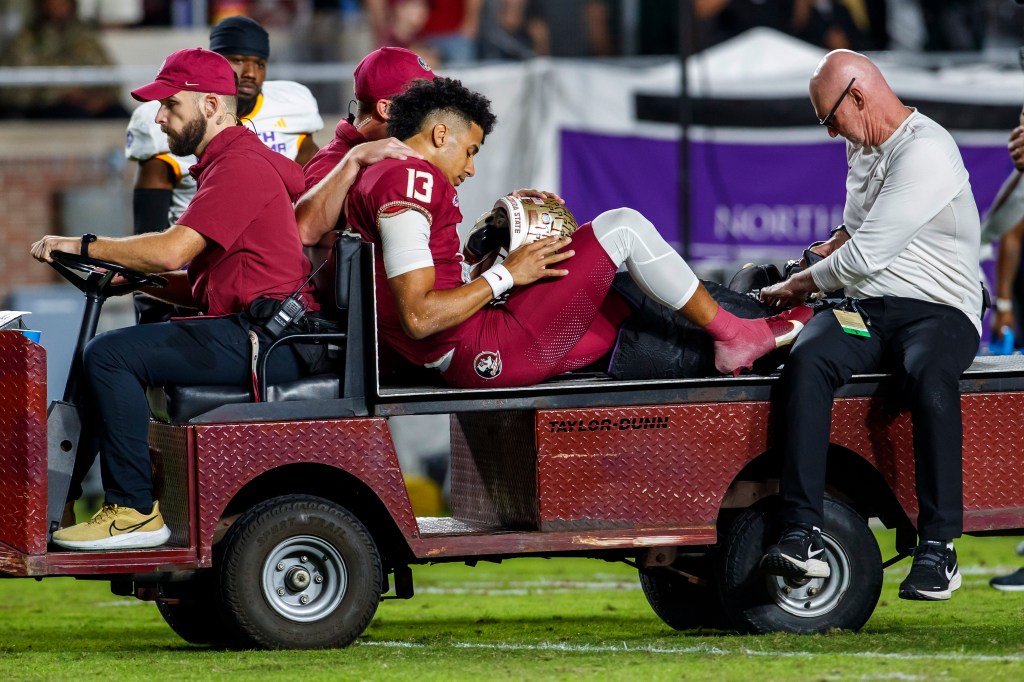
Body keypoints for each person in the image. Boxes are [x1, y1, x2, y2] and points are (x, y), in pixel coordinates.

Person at [311, 76, 812, 389]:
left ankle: (744, 322)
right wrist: (507, 274)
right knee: (623, 228)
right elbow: (420, 316)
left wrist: (493, 255)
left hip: (469, 342)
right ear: (441, 134)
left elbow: (427, 288)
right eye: (470, 151)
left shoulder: (387, 175)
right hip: (477, 349)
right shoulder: (408, 177)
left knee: (625, 302)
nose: (468, 168)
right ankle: (740, 333)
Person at [31, 48, 319, 551]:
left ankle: (134, 511)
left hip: (267, 340)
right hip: (258, 327)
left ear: (210, 105)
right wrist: (134, 282)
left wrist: (79, 243)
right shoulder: (230, 162)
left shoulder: (240, 165)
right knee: (111, 352)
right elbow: (211, 277)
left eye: (171, 105)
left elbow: (171, 251)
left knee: (110, 354)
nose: (159, 116)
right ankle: (63, 500)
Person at [756, 50, 982, 601]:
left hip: (941, 309)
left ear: (857, 97)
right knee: (807, 361)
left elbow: (864, 257)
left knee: (929, 371)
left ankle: (939, 548)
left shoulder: (927, 150)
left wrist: (795, 286)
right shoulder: (862, 148)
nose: (832, 134)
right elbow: (858, 233)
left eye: (829, 119)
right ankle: (800, 531)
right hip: (869, 313)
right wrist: (828, 244)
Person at [126, 15, 323, 323]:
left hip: (257, 278)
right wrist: (146, 290)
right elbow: (148, 223)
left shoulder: (292, 106)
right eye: (237, 60)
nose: (249, 73)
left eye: (259, 63)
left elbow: (309, 185)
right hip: (185, 265)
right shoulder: (167, 117)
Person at [296, 46, 433, 242]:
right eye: (422, 104)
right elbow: (303, 231)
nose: (431, 113)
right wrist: (353, 160)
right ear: (386, 109)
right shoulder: (333, 161)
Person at [0, 0, 128, 119]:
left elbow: (110, 76)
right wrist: (63, 94)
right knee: (75, 116)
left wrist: (100, 99)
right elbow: (16, 90)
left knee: (122, 115)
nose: (59, 5)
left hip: (89, 103)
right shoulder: (27, 41)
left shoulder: (85, 38)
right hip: (48, 107)